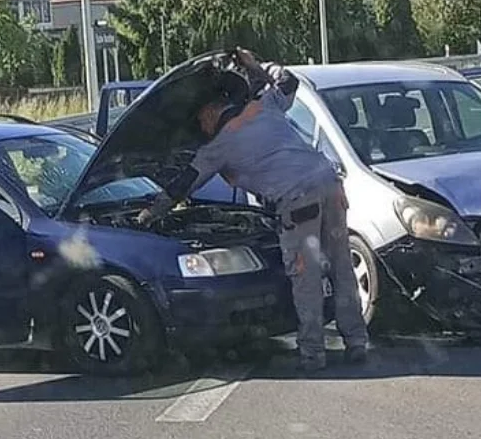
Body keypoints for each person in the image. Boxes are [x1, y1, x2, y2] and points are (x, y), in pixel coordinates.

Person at [137, 48, 368, 372]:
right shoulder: (263, 107)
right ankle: (357, 342)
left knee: (306, 277)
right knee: (342, 267)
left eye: (200, 123)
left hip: (297, 201)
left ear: (209, 114)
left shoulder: (218, 146)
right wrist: (255, 64)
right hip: (330, 185)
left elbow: (183, 185)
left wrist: (150, 214)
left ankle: (313, 354)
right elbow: (287, 81)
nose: (201, 130)